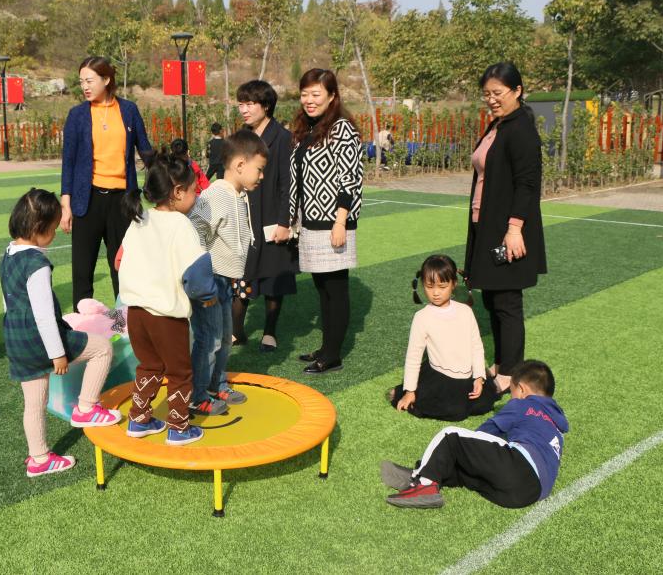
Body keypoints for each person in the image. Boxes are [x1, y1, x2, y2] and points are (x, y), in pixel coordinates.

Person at [0, 188, 123, 478]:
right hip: (40, 340)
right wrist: (57, 354)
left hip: (16, 340)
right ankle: (87, 407)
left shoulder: (8, 255)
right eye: (53, 228)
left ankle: (39, 458)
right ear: (38, 228)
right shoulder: (36, 263)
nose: (55, 234)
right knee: (103, 348)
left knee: (34, 404)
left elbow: (8, 303)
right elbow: (43, 315)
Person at [117, 148, 218, 446]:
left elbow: (119, 260)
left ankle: (139, 419)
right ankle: (179, 428)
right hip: (166, 316)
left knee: (149, 366)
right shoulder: (180, 225)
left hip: (136, 312)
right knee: (179, 372)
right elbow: (197, 275)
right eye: (193, 191)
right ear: (177, 191)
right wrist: (209, 296)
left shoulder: (140, 219)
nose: (197, 196)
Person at [381, 360, 568, 509]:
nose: (512, 397)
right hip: (528, 494)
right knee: (469, 473)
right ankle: (424, 475)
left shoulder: (524, 404)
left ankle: (424, 484)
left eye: (512, 392)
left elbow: (487, 430)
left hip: (518, 468)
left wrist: (466, 450)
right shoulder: (557, 425)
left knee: (451, 436)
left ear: (521, 389)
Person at [464, 63, 547, 395]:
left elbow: (528, 184)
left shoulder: (521, 129)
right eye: (486, 94)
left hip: (506, 229)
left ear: (517, 91)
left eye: (498, 93)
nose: (491, 99)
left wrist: (515, 229)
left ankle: (511, 373)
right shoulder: (498, 125)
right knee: (492, 298)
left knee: (507, 302)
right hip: (486, 223)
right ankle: (501, 364)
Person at [60, 56, 154, 308]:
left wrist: (166, 174)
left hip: (122, 202)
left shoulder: (129, 110)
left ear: (106, 79)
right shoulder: (77, 115)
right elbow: (68, 162)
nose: (85, 86)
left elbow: (146, 151)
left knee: (122, 270)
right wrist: (66, 204)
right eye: (81, 81)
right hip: (87, 201)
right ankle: (83, 328)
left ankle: (121, 325)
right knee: (83, 272)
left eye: (89, 81)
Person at [187, 130, 267, 415]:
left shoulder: (238, 194)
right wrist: (201, 273)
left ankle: (216, 384)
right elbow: (195, 227)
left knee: (224, 337)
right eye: (259, 169)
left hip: (224, 280)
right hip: (210, 280)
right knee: (209, 339)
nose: (261, 176)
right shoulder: (216, 195)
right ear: (240, 165)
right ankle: (197, 395)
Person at [289, 69, 363, 375]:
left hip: (333, 221)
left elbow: (350, 178)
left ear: (332, 96)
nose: (309, 100)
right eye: (304, 94)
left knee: (335, 287)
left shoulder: (342, 128)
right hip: (310, 220)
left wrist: (340, 221)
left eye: (316, 94)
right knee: (322, 287)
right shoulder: (307, 128)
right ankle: (326, 347)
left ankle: (333, 355)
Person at [388, 255, 497, 421]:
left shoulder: (465, 311)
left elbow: (476, 346)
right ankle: (402, 390)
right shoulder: (422, 317)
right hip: (440, 377)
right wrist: (410, 391)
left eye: (442, 286)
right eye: (429, 286)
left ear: (453, 284)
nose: (436, 293)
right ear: (422, 284)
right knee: (454, 411)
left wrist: (479, 377)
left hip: (467, 376)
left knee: (482, 404)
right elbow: (413, 356)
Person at [230, 80, 296, 353]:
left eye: (250, 104)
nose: (244, 109)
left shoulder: (282, 138)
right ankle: (236, 330)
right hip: (243, 215)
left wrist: (284, 222)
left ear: (266, 106)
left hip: (271, 214)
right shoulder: (240, 138)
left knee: (273, 276)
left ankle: (270, 332)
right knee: (240, 272)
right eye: (241, 104)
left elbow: (287, 184)